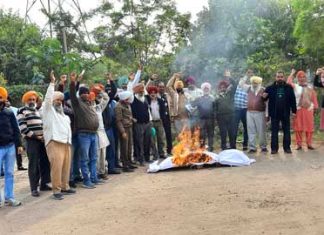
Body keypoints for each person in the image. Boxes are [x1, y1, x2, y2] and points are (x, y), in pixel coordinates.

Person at [43, 71, 75, 200]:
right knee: (56, 167)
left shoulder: (64, 116)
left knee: (66, 167)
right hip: (54, 142)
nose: (59, 102)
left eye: (61, 100)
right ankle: (56, 191)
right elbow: (47, 99)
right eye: (56, 100)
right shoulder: (48, 112)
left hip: (66, 143)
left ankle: (65, 186)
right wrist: (52, 83)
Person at [17, 91, 51, 197]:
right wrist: (36, 136)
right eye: (29, 99)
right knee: (33, 164)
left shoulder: (37, 110)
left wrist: (43, 136)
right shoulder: (21, 110)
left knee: (45, 162)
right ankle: (34, 188)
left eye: (33, 99)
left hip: (42, 140)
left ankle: (44, 184)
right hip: (32, 140)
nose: (32, 101)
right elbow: (23, 128)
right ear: (25, 101)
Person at [69, 72, 100, 189]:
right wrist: (73, 82)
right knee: (85, 158)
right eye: (83, 93)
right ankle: (86, 181)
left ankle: (94, 178)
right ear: (80, 95)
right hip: (84, 135)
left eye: (87, 93)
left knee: (94, 157)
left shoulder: (89, 104)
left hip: (93, 134)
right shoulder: (77, 104)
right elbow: (72, 94)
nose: (86, 94)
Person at [263, 71, 297, 154]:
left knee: (287, 131)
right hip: (274, 113)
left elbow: (293, 100)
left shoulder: (288, 87)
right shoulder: (270, 88)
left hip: (285, 113)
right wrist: (263, 97)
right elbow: (264, 99)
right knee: (274, 131)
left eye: (281, 77)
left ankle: (287, 148)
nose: (280, 78)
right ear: (275, 77)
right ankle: (274, 149)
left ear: (284, 77)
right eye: (278, 77)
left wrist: (294, 111)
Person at [0, 86, 22, 207]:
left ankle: (9, 197)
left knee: (9, 173)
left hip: (10, 147)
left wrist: (19, 144)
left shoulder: (9, 112)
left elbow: (16, 129)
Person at [287, 69, 318, 150]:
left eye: (303, 77)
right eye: (300, 77)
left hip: (309, 109)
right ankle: (299, 144)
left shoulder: (310, 87)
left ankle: (309, 143)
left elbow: (314, 98)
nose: (302, 78)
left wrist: (315, 108)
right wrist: (292, 73)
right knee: (298, 127)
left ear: (306, 78)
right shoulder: (295, 86)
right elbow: (288, 83)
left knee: (309, 127)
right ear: (297, 78)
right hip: (298, 109)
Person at [239, 76, 268, 153]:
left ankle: (263, 146)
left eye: (256, 83)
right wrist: (246, 76)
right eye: (253, 83)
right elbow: (241, 84)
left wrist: (267, 115)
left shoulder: (263, 90)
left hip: (260, 112)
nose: (254, 84)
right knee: (251, 130)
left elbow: (267, 103)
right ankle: (252, 147)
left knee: (261, 130)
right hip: (249, 112)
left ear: (259, 83)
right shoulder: (249, 88)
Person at [102, 73, 121, 174]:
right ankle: (103, 170)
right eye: (106, 90)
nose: (108, 92)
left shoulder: (107, 101)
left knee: (112, 149)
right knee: (103, 151)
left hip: (109, 128)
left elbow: (114, 91)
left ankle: (111, 167)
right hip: (102, 129)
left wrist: (111, 80)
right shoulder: (98, 102)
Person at [90, 84, 110, 180]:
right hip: (94, 133)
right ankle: (96, 174)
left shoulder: (98, 107)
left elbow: (106, 99)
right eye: (91, 98)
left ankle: (102, 172)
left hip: (102, 133)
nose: (93, 100)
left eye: (94, 98)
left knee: (103, 154)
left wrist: (100, 91)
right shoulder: (87, 108)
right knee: (96, 155)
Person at [214, 72, 237, 150]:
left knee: (232, 132)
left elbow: (234, 85)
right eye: (221, 87)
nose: (222, 88)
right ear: (219, 88)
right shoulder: (216, 97)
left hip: (231, 115)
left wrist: (229, 77)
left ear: (226, 87)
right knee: (223, 133)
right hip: (221, 117)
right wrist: (216, 117)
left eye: (224, 87)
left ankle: (233, 147)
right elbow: (215, 109)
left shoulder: (230, 94)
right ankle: (223, 147)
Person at [131, 83, 152, 166]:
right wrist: (132, 118)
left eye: (142, 90)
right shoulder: (132, 99)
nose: (141, 91)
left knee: (147, 141)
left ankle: (147, 158)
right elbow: (129, 111)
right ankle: (140, 159)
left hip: (147, 123)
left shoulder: (146, 98)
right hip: (138, 124)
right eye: (140, 90)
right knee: (139, 142)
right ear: (136, 91)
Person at [191, 82, 215, 151]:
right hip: (201, 120)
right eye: (205, 88)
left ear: (209, 89)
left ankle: (210, 148)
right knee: (202, 135)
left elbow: (215, 109)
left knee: (210, 134)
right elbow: (191, 105)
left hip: (210, 119)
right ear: (202, 89)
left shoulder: (212, 98)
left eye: (207, 88)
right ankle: (202, 148)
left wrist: (215, 118)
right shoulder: (199, 98)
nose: (206, 89)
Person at [115, 91, 135, 172]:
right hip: (124, 128)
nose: (128, 100)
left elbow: (128, 115)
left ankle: (129, 163)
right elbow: (118, 120)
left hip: (129, 127)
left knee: (130, 146)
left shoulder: (127, 105)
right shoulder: (118, 106)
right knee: (124, 148)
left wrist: (132, 119)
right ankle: (125, 165)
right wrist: (122, 132)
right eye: (127, 99)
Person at [5, 97, 27, 171]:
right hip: (6, 133)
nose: (7, 102)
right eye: (5, 101)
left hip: (16, 132)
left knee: (19, 148)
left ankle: (20, 165)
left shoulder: (15, 109)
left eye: (8, 101)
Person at [233, 69, 252, 151]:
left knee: (246, 127)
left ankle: (245, 145)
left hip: (245, 110)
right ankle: (232, 144)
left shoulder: (248, 88)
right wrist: (247, 75)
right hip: (236, 109)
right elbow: (241, 82)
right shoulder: (237, 87)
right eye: (241, 80)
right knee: (234, 127)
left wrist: (250, 77)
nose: (242, 81)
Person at [146, 85, 166, 159]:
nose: (153, 94)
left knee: (161, 138)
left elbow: (163, 111)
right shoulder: (147, 101)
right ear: (149, 94)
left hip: (159, 122)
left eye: (154, 92)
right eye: (151, 93)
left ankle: (162, 153)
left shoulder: (160, 101)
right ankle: (155, 154)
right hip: (151, 123)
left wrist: (162, 119)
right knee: (152, 139)